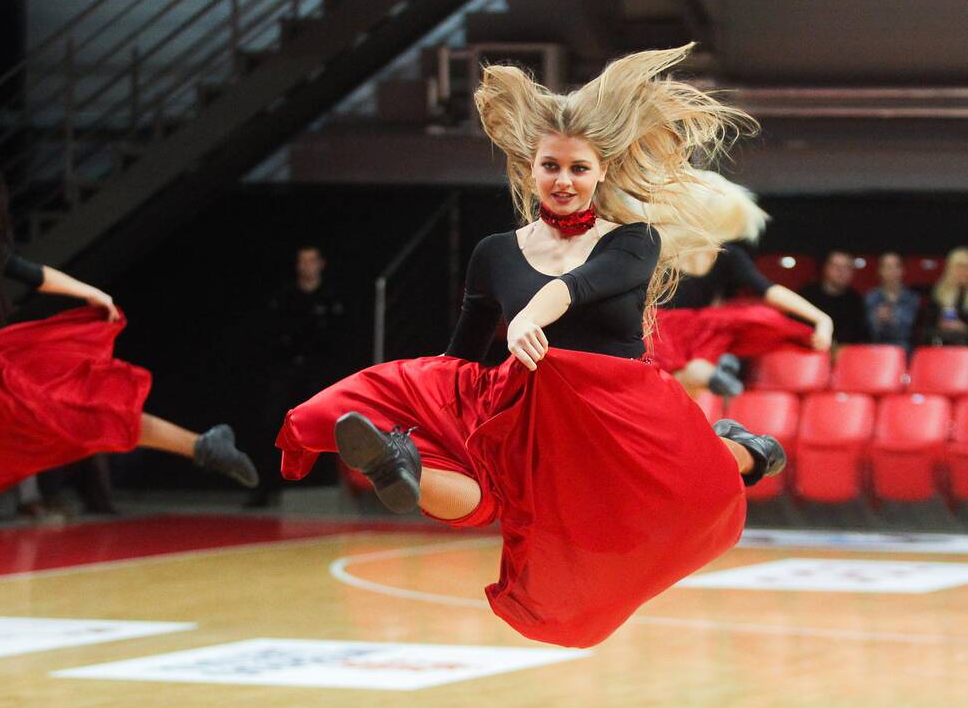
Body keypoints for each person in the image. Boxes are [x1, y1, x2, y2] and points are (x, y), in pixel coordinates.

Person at [275, 45, 785, 648]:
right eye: (551, 166)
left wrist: (527, 321)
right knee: (490, 492)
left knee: (694, 494)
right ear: (529, 168)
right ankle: (399, 458)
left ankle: (748, 450)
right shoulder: (494, 251)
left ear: (600, 172)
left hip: (616, 405)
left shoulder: (634, 240)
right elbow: (463, 350)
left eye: (577, 168)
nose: (563, 180)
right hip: (528, 399)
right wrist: (424, 398)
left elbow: (578, 287)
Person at [0, 158, 258, 577]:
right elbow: (38, 275)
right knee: (81, 414)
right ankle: (203, 446)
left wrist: (91, 293)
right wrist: (90, 291)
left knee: (78, 416)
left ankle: (204, 447)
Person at [645, 170, 832, 397]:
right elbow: (769, 290)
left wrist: (821, 318)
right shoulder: (670, 249)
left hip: (673, 331)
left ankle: (710, 374)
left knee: (670, 382)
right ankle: (713, 372)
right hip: (693, 333)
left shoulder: (660, 247)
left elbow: (769, 290)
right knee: (678, 383)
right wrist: (820, 318)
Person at [247, 245, 346, 507]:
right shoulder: (285, 297)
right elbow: (273, 335)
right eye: (302, 261)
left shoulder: (332, 298)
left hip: (319, 372)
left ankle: (323, 484)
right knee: (274, 423)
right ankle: (265, 487)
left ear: (320, 264)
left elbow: (338, 339)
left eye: (311, 261)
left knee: (323, 425)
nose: (306, 266)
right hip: (288, 369)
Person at [799, 250, 869, 345]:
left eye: (847, 267)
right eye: (836, 266)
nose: (841, 272)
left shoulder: (856, 300)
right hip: (809, 351)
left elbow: (861, 336)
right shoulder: (806, 294)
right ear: (825, 268)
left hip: (846, 355)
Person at [865, 252, 920, 352]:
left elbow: (908, 332)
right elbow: (869, 332)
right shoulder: (871, 297)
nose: (892, 271)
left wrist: (891, 319)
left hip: (905, 351)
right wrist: (877, 321)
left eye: (896, 267)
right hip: (877, 350)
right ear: (880, 271)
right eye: (888, 267)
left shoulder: (912, 298)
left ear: (903, 270)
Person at [929, 247, 968, 345]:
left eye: (967, 267)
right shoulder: (939, 293)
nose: (964, 272)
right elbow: (927, 327)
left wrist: (963, 328)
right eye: (960, 267)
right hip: (944, 343)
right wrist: (939, 323)